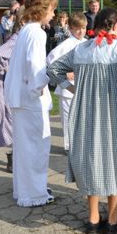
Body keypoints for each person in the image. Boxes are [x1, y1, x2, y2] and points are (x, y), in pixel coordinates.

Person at [47, 8, 117, 234]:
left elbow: (53, 69)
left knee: (90, 160)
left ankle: (92, 219)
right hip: (108, 113)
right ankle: (111, 220)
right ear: (116, 26)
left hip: (84, 113)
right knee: (112, 160)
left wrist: (72, 88)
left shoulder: (81, 48)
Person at [4, 0, 57, 207]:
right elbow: (36, 67)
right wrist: (43, 85)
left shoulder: (26, 29)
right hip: (30, 98)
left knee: (24, 147)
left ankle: (24, 190)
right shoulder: (37, 33)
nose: (53, 15)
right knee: (36, 146)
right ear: (42, 10)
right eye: (52, 10)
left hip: (21, 96)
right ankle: (34, 194)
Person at [45, 12, 87, 153]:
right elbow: (50, 61)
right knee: (68, 118)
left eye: (84, 28)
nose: (81, 31)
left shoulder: (87, 43)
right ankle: (69, 146)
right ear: (70, 29)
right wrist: (64, 74)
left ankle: (80, 143)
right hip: (67, 89)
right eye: (78, 29)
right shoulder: (66, 44)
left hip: (82, 87)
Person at [0, 6, 25, 173]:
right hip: (11, 87)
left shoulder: (25, 38)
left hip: (19, 86)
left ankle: (16, 157)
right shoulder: (18, 38)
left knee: (17, 121)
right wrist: (8, 68)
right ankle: (13, 158)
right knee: (13, 120)